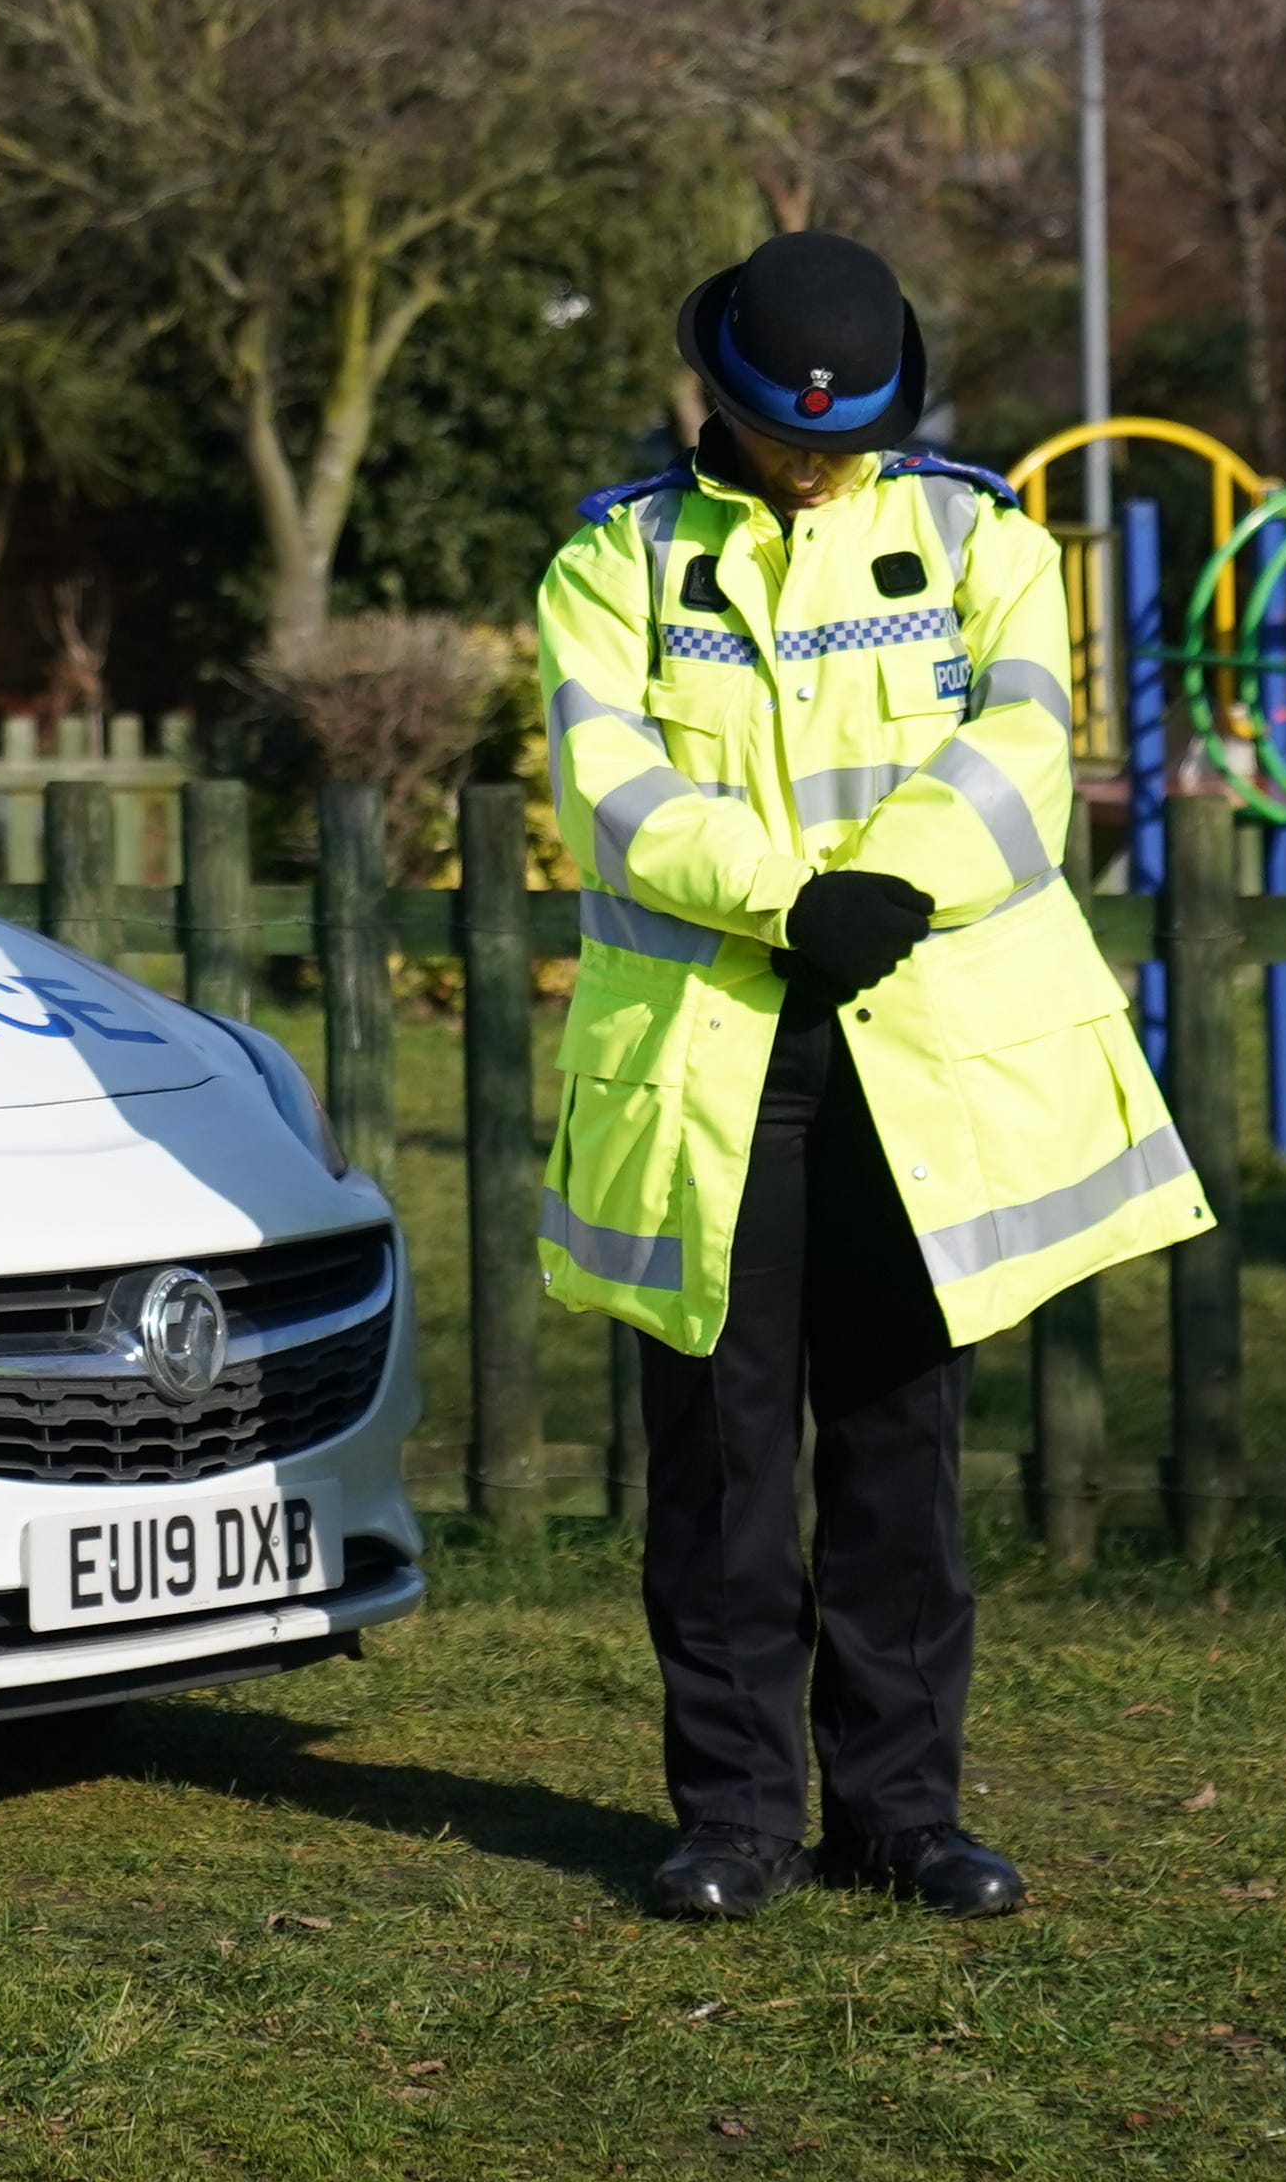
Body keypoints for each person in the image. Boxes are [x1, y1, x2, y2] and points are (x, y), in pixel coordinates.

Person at [528, 227, 1209, 1921]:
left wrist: (891, 882)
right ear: (717, 395)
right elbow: (606, 779)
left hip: (928, 1059)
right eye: (790, 429)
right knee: (722, 1463)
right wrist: (790, 901)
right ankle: (737, 1821)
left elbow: (1032, 738)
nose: (826, 456)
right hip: (714, 1067)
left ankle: (904, 1816)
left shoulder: (979, 533)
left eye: (854, 427)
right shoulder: (613, 567)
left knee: (902, 1454)